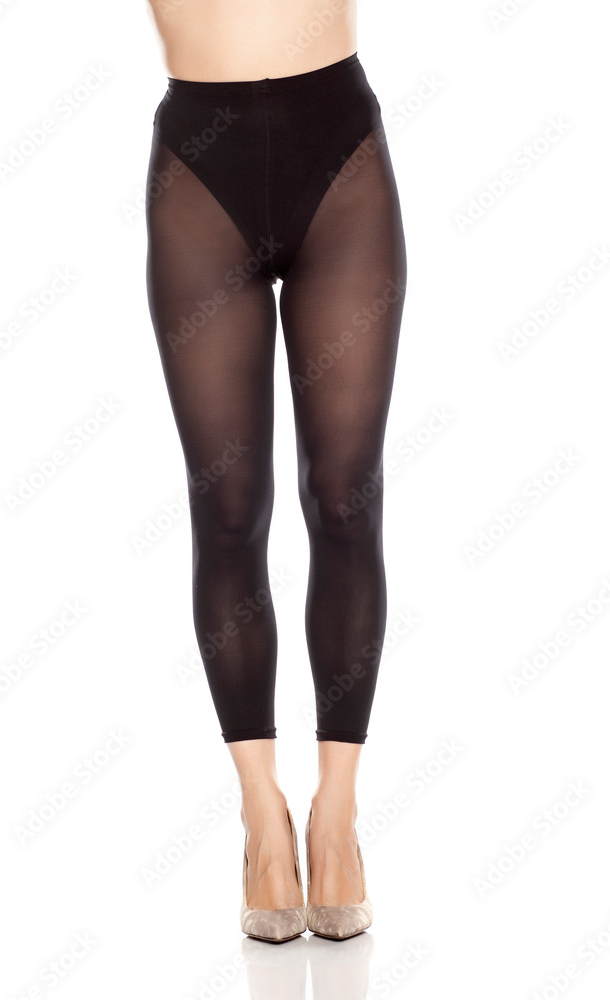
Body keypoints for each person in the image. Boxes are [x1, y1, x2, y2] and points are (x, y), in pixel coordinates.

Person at [144, 0, 407, 941]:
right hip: (199, 167)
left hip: (338, 153)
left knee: (344, 501)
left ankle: (336, 812)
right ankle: (262, 814)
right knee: (226, 509)